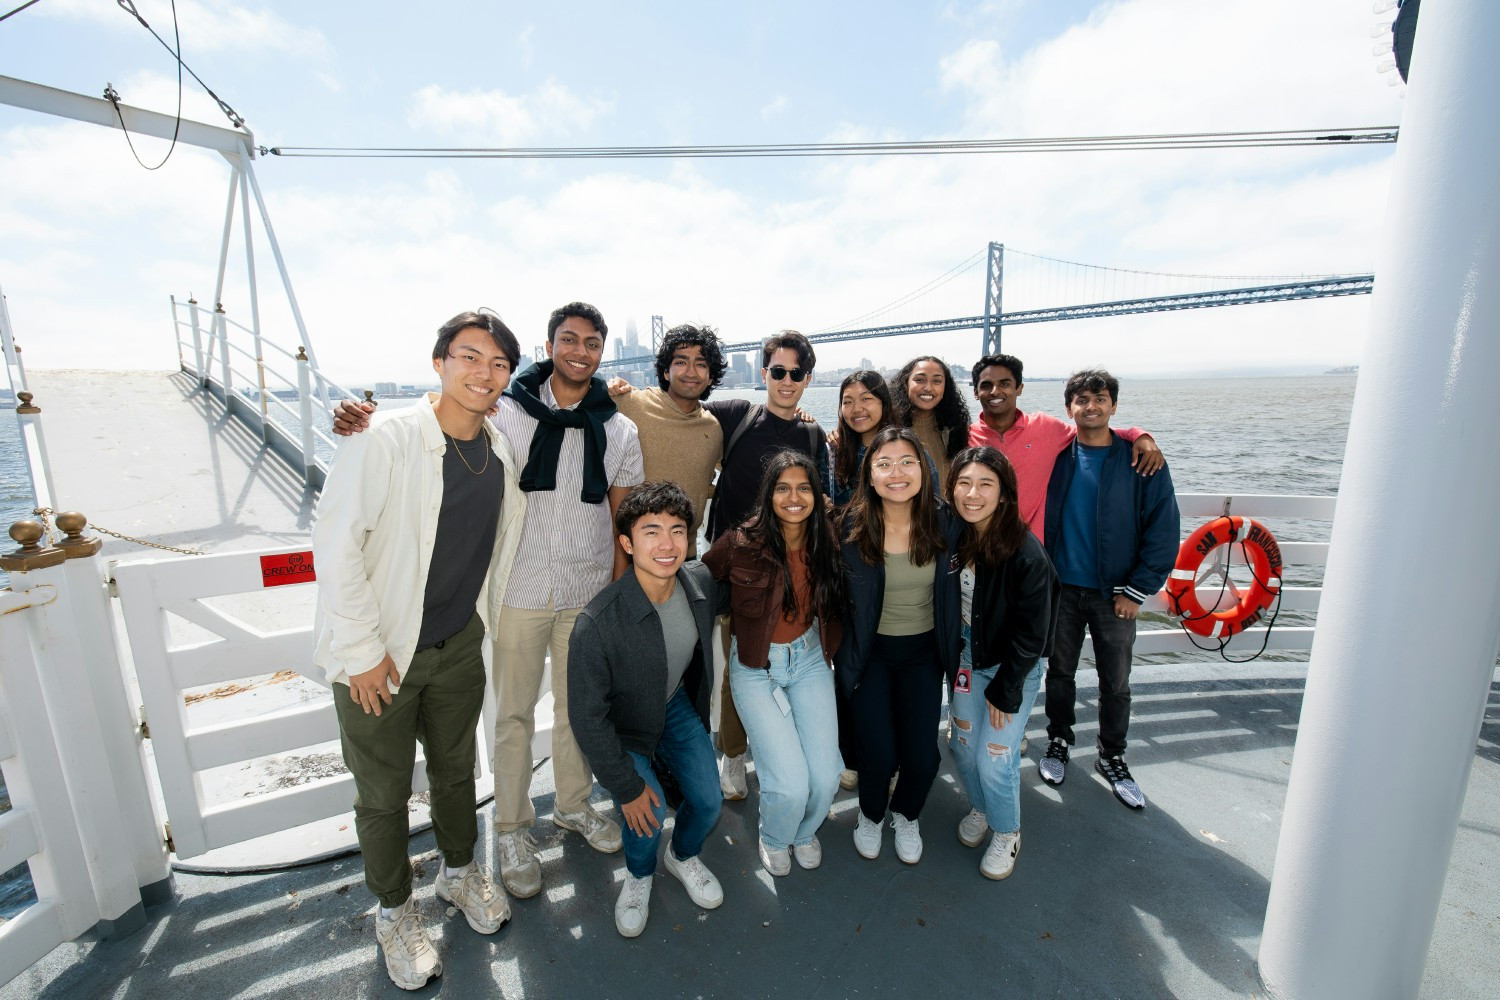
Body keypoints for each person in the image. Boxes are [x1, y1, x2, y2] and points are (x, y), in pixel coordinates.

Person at [330, 301, 645, 901]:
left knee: (583, 712)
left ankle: (574, 808)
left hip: (586, 592)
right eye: (568, 340)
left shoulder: (621, 427)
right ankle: (511, 828)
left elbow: (621, 515)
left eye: (592, 343)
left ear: (603, 352)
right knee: (514, 715)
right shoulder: (507, 414)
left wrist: (616, 592)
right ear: (550, 346)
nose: (580, 352)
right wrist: (357, 418)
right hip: (518, 588)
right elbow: (444, 419)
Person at [312, 310, 525, 990]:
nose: (483, 373)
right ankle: (395, 912)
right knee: (382, 795)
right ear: (439, 362)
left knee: (457, 771)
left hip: (458, 643)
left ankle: (459, 874)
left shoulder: (500, 451)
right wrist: (362, 652)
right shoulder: (384, 440)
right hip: (382, 653)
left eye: (497, 364)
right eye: (469, 356)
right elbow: (336, 545)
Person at [568, 482, 724, 938]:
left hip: (672, 705)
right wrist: (626, 784)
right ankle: (639, 876)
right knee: (646, 814)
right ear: (627, 542)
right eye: (651, 531)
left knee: (709, 800)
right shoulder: (597, 623)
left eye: (677, 530)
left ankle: (682, 855)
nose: (666, 544)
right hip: (623, 728)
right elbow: (586, 717)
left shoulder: (699, 583)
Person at [1039, 370, 1180, 810]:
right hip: (1061, 590)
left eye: (1100, 398)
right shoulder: (1057, 455)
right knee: (1059, 673)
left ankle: (1111, 755)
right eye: (1081, 400)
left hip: (1114, 594)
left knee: (1115, 681)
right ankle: (1059, 741)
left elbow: (1163, 530)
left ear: (1114, 406)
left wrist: (1137, 590)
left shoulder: (1141, 460)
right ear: (1069, 409)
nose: (1091, 406)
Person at [700, 331, 832, 801]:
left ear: (808, 379)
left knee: (793, 666)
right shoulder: (735, 415)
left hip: (794, 572)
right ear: (764, 373)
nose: (786, 380)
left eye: (797, 373)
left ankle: (787, 756)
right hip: (738, 574)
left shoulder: (815, 435)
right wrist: (622, 395)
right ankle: (733, 755)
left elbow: (821, 501)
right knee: (741, 668)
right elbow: (679, 411)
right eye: (778, 371)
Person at [703, 449, 847, 876]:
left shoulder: (828, 537)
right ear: (768, 494)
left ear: (817, 494)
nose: (794, 497)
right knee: (787, 782)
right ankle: (774, 835)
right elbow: (701, 577)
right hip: (756, 666)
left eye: (804, 487)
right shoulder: (742, 542)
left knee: (824, 778)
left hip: (808, 660)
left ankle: (803, 832)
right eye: (783, 488)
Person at [836, 426, 960, 864]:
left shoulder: (947, 522)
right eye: (883, 464)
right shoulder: (847, 528)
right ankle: (870, 815)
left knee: (923, 758)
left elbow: (1004, 549)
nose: (896, 473)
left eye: (907, 462)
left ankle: (906, 813)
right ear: (869, 476)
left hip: (924, 654)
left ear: (925, 471)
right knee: (877, 751)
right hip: (869, 655)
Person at [945, 446, 1059, 880]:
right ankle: (982, 807)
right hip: (967, 659)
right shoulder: (957, 534)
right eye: (964, 483)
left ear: (1005, 493)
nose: (972, 494)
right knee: (962, 747)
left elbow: (1034, 634)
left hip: (1011, 667)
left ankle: (1007, 831)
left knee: (995, 756)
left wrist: (1007, 687)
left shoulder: (1027, 555)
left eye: (985, 485)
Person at [967, 353, 1161, 539]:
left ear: (1019, 388)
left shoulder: (1045, 427)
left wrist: (1139, 435)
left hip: (1030, 553)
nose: (995, 391)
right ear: (976, 392)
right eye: (986, 385)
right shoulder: (965, 437)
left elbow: (1093, 431)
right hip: (977, 546)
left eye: (1005, 384)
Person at [608, 324, 727, 556]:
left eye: (701, 364)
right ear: (665, 371)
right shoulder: (630, 404)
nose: (691, 372)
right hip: (631, 555)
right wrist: (607, 388)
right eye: (681, 362)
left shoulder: (713, 429)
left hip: (686, 556)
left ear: (711, 376)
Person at [889, 356, 971, 483]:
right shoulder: (889, 427)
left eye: (937, 381)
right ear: (906, 384)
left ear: (945, 388)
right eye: (920, 380)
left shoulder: (955, 428)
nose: (928, 387)